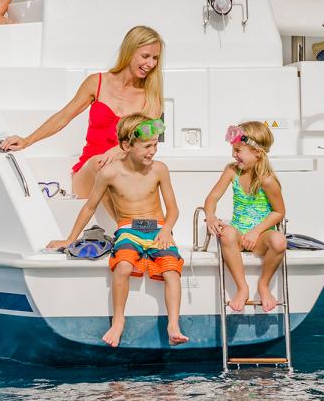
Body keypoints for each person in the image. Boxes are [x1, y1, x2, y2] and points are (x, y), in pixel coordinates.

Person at [47, 114, 188, 347]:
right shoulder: (109, 173)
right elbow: (89, 207)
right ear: (126, 146)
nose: (153, 151)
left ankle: (173, 325)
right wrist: (70, 238)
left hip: (158, 229)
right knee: (122, 266)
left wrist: (167, 230)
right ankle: (118, 321)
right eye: (147, 146)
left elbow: (173, 209)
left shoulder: (159, 170)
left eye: (155, 145)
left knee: (171, 270)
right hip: (128, 229)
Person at [0, 25, 162, 199]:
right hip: (90, 171)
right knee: (100, 164)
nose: (151, 64)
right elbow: (63, 117)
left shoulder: (150, 97)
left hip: (127, 173)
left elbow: (152, 135)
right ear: (129, 51)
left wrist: (120, 150)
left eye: (155, 58)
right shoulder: (97, 82)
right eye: (145, 56)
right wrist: (27, 140)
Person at [202, 121, 288, 313]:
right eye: (233, 150)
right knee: (226, 233)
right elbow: (212, 198)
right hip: (239, 235)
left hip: (261, 237)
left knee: (279, 241)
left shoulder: (267, 181)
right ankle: (242, 288)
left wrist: (256, 232)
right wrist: (211, 216)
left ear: (257, 153)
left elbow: (279, 212)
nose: (234, 154)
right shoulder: (232, 171)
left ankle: (263, 285)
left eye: (238, 150)